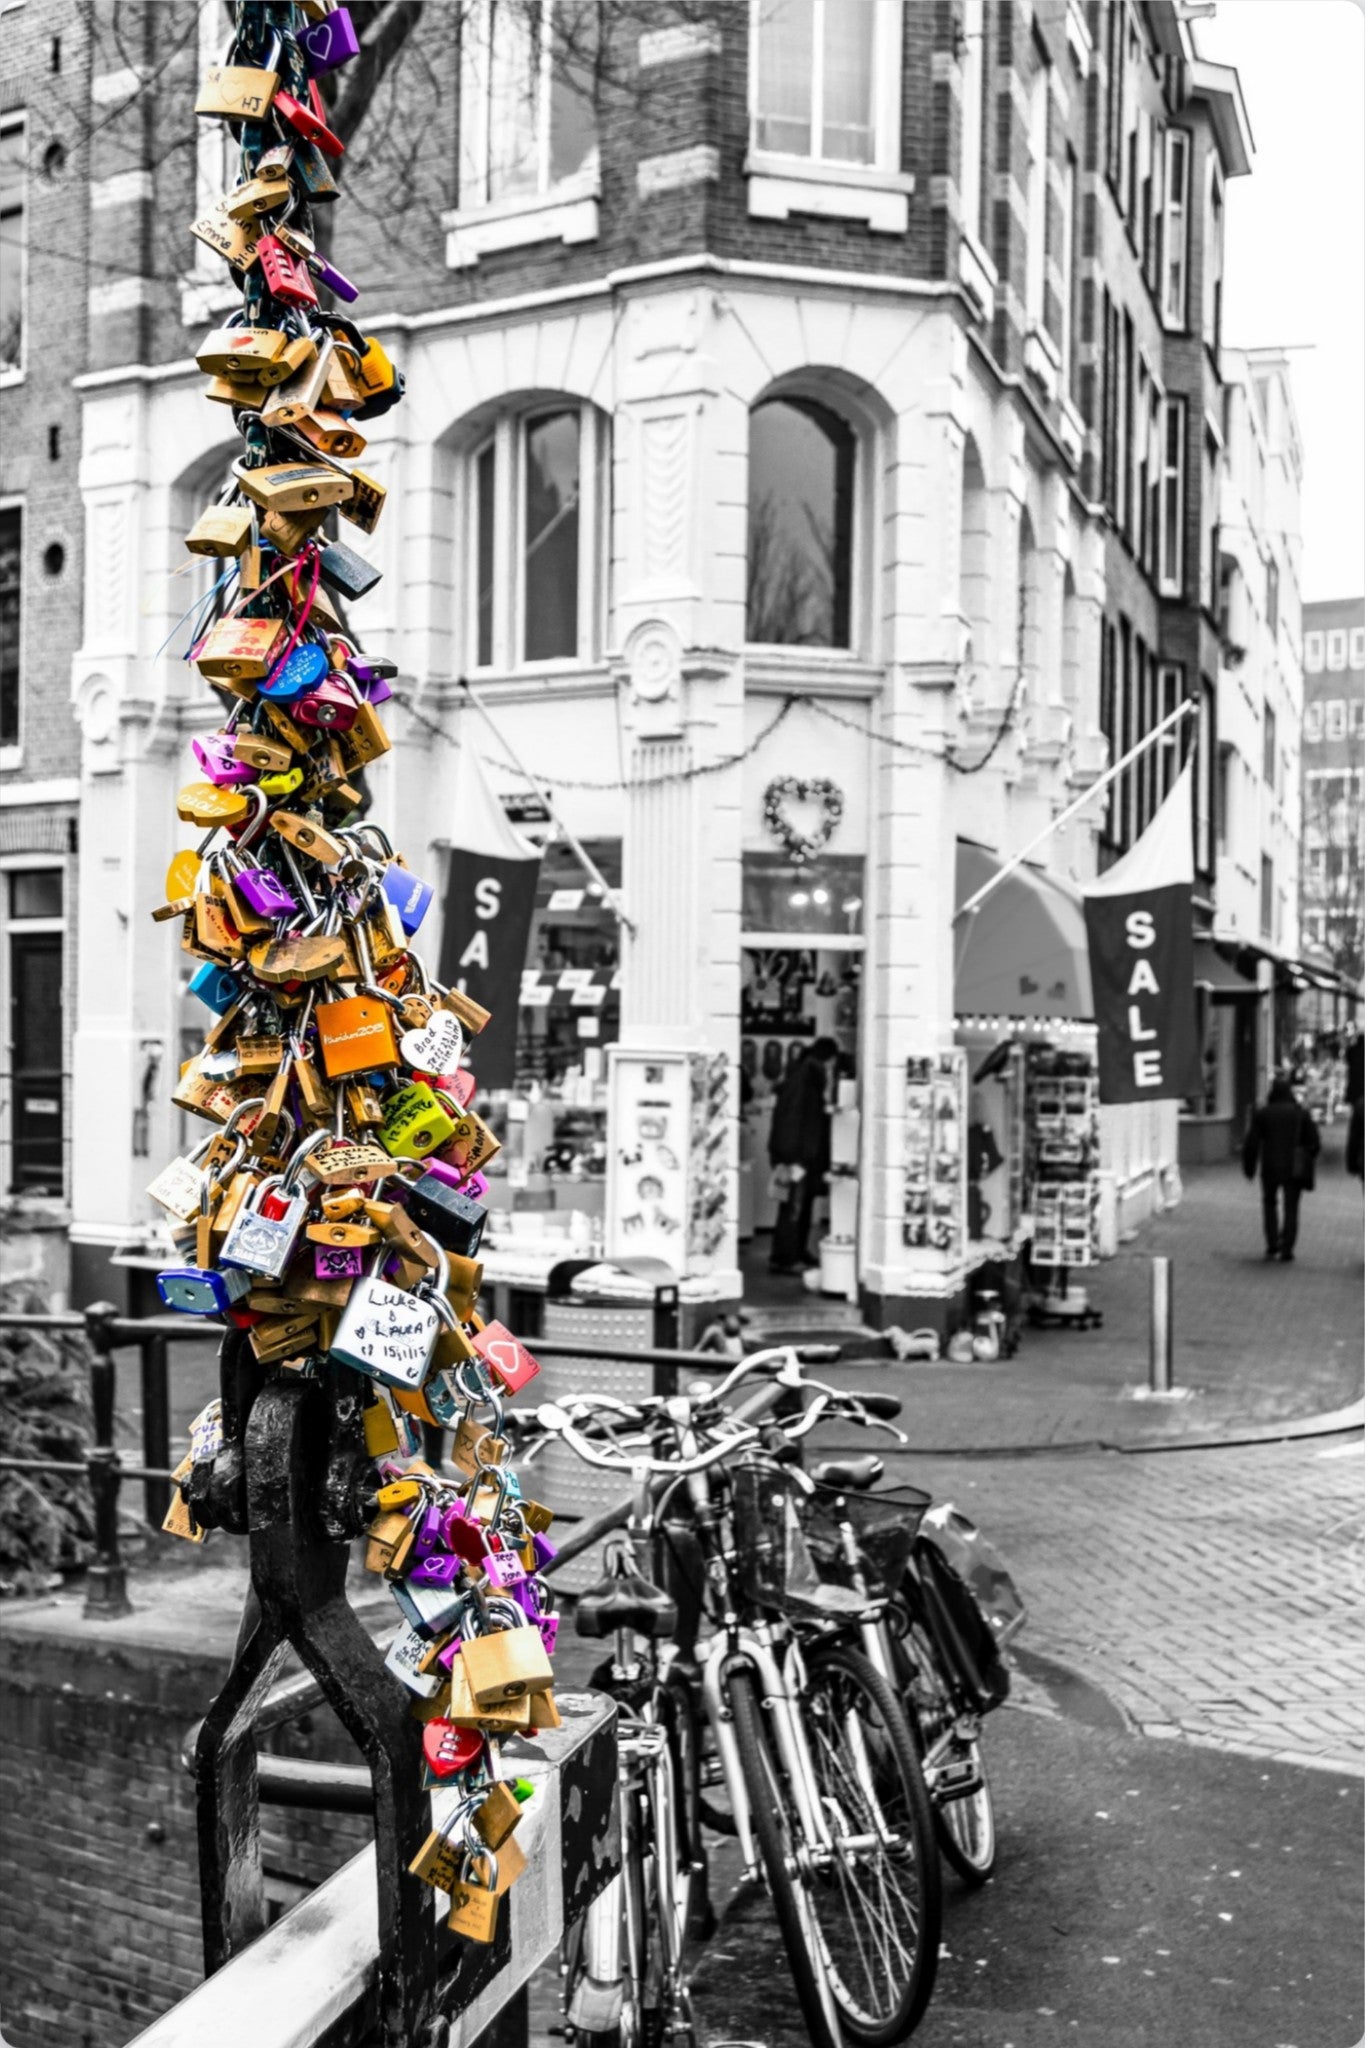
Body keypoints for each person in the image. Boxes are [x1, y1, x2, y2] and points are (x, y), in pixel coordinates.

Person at [767, 1037, 837, 1273]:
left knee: (797, 1205)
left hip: (797, 1153)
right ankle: (787, 1257)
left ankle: (792, 1252)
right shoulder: (807, 1082)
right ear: (827, 1060)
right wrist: (792, 1158)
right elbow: (797, 1121)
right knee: (795, 1206)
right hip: (799, 1155)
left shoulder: (798, 1077)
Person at [1242, 1075, 1321, 1262]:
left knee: (1269, 1203)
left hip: (1270, 1166)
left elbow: (1252, 1143)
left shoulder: (1263, 1113)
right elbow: (1314, 1142)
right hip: (1294, 1168)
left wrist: (1249, 1167)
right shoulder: (1300, 1113)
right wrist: (1308, 1156)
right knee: (1291, 1207)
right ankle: (1287, 1248)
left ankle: (1272, 1244)